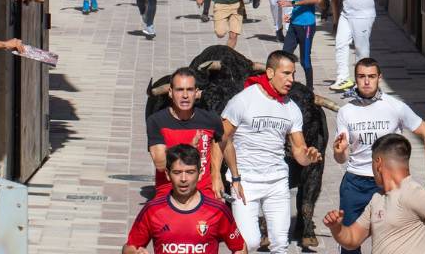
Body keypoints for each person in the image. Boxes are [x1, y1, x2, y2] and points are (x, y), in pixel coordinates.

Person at [332, 57, 425, 254]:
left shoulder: (395, 106)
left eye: (371, 76)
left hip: (388, 184)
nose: (366, 81)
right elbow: (342, 157)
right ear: (355, 79)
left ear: (379, 78)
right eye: (361, 76)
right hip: (355, 183)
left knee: (392, 240)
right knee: (349, 243)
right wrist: (339, 152)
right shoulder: (346, 112)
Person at [222, 50, 322, 254]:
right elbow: (221, 139)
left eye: (293, 74)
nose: (290, 80)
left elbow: (298, 151)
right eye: (285, 73)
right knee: (249, 242)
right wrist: (221, 176)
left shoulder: (291, 108)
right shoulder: (243, 100)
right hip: (245, 183)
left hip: (277, 182)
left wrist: (308, 157)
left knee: (280, 244)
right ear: (269, 72)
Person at [324, 133, 425, 254]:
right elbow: (352, 239)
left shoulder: (411, 193)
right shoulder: (377, 199)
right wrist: (336, 228)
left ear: (378, 163)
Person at [123, 144, 246, 254]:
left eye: (190, 172)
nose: (183, 179)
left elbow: (240, 248)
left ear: (200, 174)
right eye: (177, 172)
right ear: (167, 174)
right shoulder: (152, 210)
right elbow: (129, 248)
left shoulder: (218, 210)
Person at [146, 68, 224, 199]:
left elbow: (222, 142)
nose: (185, 95)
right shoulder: (156, 121)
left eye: (190, 90)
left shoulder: (211, 119)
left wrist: (217, 175)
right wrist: (189, 149)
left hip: (204, 192)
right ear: (170, 92)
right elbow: (160, 165)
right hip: (169, 194)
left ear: (197, 93)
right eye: (179, 90)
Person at [325, 0, 376, 92]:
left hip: (362, 15)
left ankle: (364, 81)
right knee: (340, 43)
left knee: (361, 49)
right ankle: (343, 78)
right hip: (348, 13)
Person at [279, 0, 318, 89]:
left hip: (306, 25)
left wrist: (291, 3)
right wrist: (292, 14)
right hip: (295, 23)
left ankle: (310, 89)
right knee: (285, 56)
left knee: (305, 61)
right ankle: (286, 85)